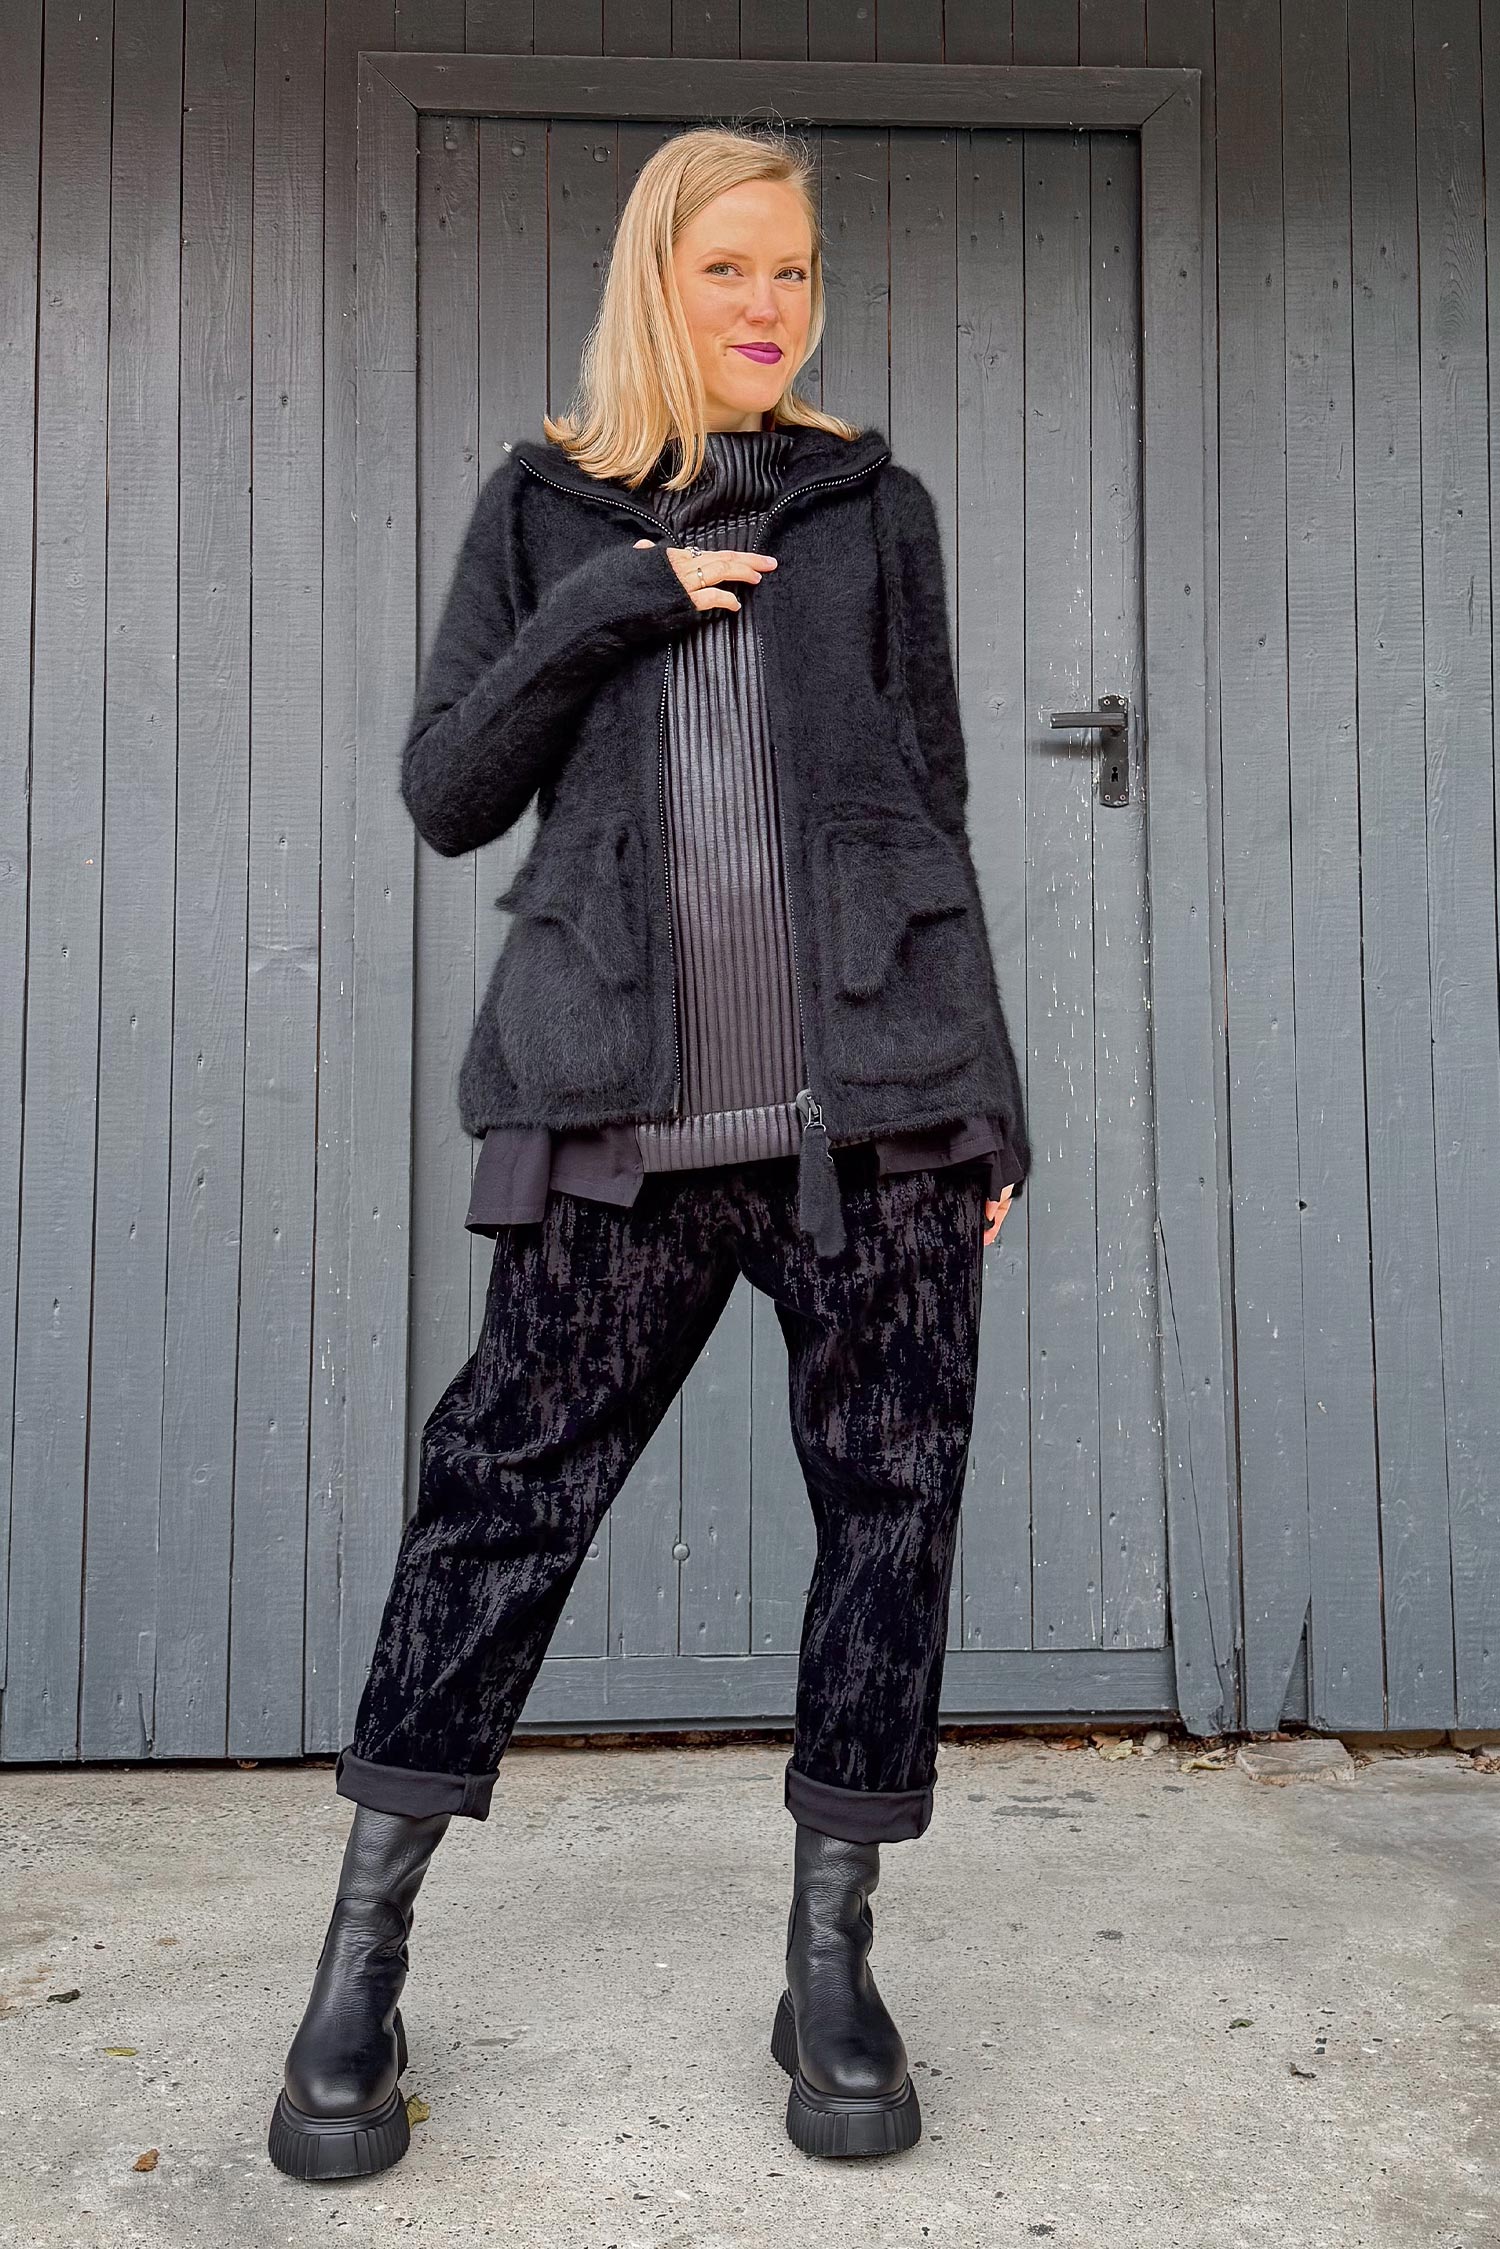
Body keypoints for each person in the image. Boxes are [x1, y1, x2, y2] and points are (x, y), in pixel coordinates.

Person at [267, 122, 1030, 2183]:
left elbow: (937, 806)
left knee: (892, 1512)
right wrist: (611, 602)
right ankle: (359, 1961)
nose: (770, 306)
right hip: (617, 1113)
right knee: (496, 1498)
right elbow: (449, 788)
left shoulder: (877, 510)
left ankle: (832, 1961)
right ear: (655, 282)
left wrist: (991, 1095)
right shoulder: (546, 508)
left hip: (876, 1118)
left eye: (795, 271)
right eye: (730, 270)